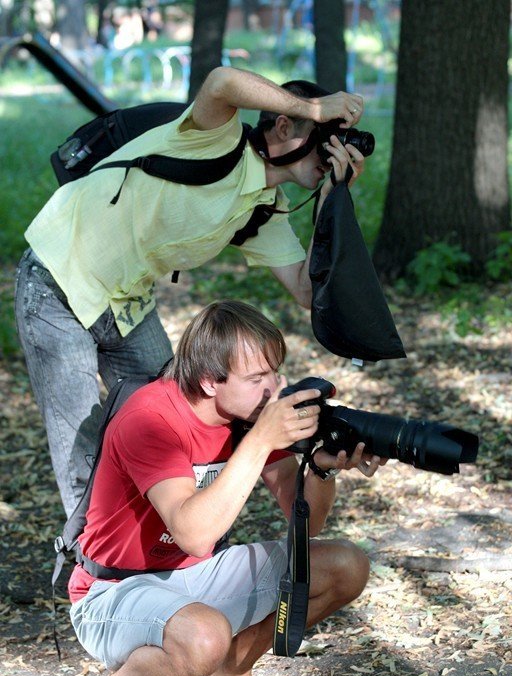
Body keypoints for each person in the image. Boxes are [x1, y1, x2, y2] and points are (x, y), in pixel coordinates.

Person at [14, 66, 366, 520]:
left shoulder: (263, 210)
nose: (329, 153)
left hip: (123, 301)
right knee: (82, 441)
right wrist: (313, 108)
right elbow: (221, 81)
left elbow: (305, 290)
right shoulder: (215, 139)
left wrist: (334, 199)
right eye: (324, 139)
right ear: (283, 126)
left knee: (178, 414)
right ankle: (89, 574)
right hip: (57, 279)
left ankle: (168, 538)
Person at [69, 299, 384, 676]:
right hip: (111, 592)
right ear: (209, 381)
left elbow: (307, 524)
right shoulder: (150, 419)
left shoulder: (247, 417)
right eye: (257, 380)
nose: (272, 390)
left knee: (343, 566)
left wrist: (320, 468)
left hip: (194, 577)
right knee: (203, 637)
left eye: (275, 374)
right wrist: (260, 441)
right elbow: (195, 534)